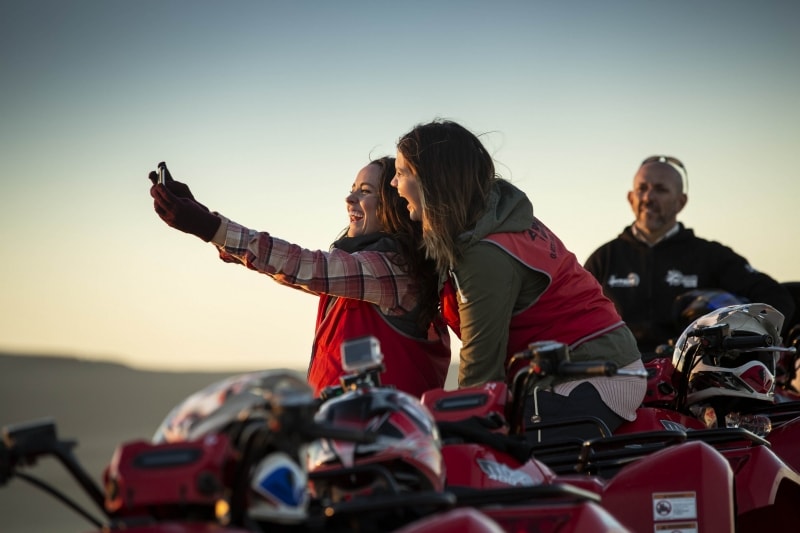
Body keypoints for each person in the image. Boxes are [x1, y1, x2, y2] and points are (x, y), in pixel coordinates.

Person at [390, 119, 645, 442]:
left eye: (402, 173)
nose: (394, 184)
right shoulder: (495, 215)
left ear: (433, 181)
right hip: (588, 366)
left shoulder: (484, 254)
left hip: (590, 376)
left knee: (496, 466)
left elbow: (480, 368)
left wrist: (454, 433)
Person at [148, 157, 450, 397]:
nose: (349, 198)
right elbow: (289, 270)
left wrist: (208, 226)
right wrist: (200, 215)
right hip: (345, 440)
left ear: (393, 207)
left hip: (383, 448)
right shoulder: (361, 272)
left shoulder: (391, 270)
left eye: (365, 191)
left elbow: (304, 266)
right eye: (353, 188)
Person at [583, 155, 795, 355]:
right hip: (618, 375)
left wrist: (745, 338)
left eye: (660, 190)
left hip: (692, 379)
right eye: (642, 189)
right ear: (631, 198)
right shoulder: (604, 259)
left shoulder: (710, 256)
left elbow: (776, 298)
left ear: (681, 202)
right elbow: (571, 315)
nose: (648, 197)